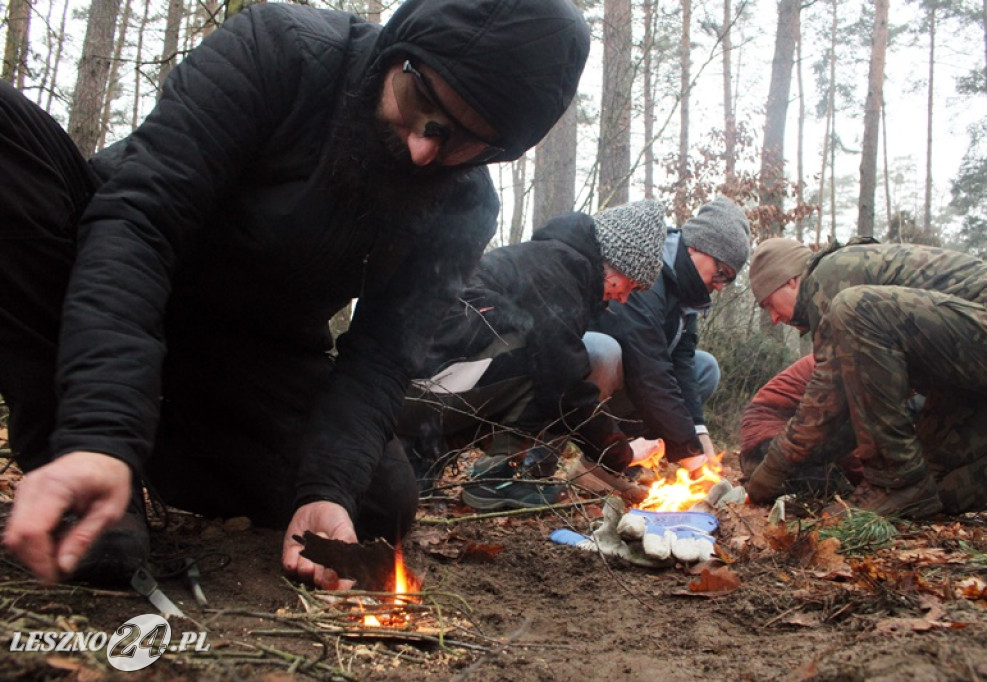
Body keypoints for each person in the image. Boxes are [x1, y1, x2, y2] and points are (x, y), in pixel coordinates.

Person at [1, 0, 589, 589]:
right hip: (92, 279)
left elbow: (383, 357)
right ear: (399, 50)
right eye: (423, 107)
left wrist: (327, 488)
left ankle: (146, 451)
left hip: (238, 358)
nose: (424, 150)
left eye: (468, 144)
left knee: (377, 501)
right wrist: (99, 431)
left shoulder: (465, 204)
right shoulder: (281, 50)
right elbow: (139, 223)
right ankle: (77, 466)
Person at [396, 200, 667, 510]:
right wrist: (622, 452)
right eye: (628, 284)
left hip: (419, 386)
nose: (623, 297)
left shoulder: (552, 264)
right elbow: (567, 389)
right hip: (413, 391)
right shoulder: (558, 276)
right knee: (547, 367)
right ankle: (496, 478)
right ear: (613, 261)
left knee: (537, 356)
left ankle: (423, 458)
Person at [744, 237, 987, 518]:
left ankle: (892, 481)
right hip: (982, 366)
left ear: (791, 281)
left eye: (770, 304)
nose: (774, 319)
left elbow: (828, 398)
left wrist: (769, 473)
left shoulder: (829, 274)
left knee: (854, 308)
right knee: (927, 486)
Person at [584, 196, 750, 474]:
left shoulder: (687, 297)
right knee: (603, 351)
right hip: (581, 379)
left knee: (704, 367)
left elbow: (682, 364)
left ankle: (610, 464)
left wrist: (700, 435)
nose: (720, 287)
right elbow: (649, 370)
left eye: (728, 280)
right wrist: (689, 454)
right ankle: (534, 458)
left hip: (632, 383)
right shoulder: (646, 271)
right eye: (721, 273)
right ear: (698, 248)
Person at [739, 354, 862, 497]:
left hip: (791, 434)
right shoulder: (844, 363)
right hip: (766, 438)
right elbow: (836, 429)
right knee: (828, 485)